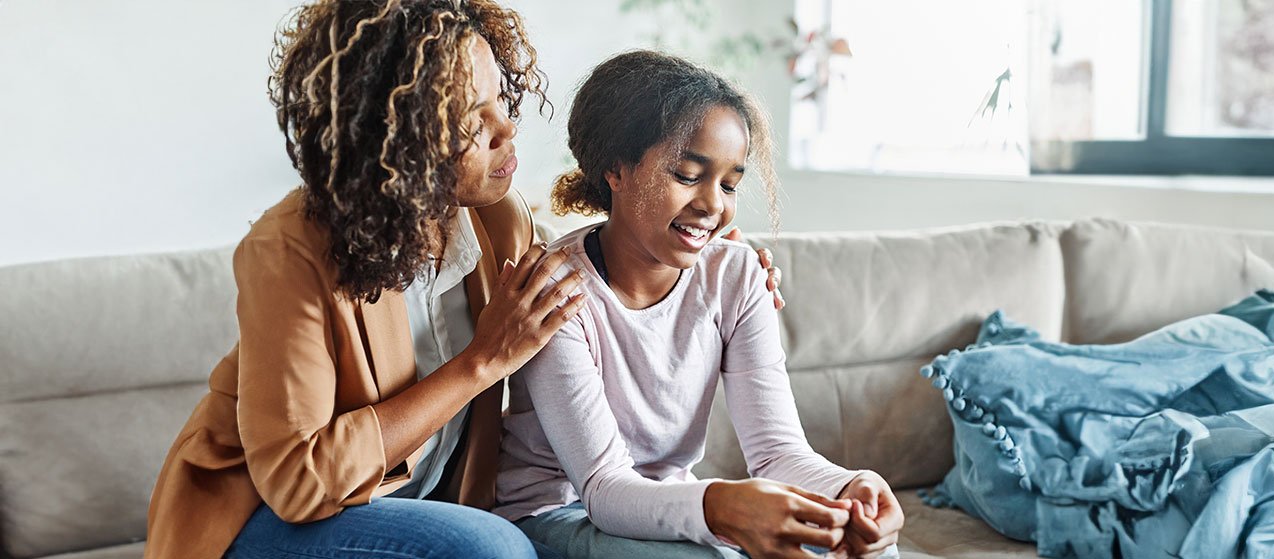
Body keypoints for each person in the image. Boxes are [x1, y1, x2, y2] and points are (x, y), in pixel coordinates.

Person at [143, 2, 783, 557]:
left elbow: (606, 261)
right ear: (399, 138)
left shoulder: (498, 219)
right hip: (269, 519)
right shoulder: (291, 249)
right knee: (490, 547)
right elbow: (298, 481)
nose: (508, 129)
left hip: (427, 505)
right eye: (474, 120)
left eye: (502, 98)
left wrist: (711, 248)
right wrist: (481, 361)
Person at [494, 50, 905, 559]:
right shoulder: (558, 294)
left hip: (668, 506)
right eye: (689, 175)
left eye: (729, 184)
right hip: (560, 514)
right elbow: (603, 488)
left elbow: (777, 453)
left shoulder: (737, 276)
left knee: (868, 550)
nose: (713, 205)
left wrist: (850, 491)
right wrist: (721, 509)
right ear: (615, 170)